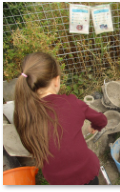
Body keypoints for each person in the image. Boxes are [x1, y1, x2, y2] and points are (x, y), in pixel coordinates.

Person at [13, 52, 108, 185]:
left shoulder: (24, 114)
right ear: (56, 81)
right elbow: (102, 120)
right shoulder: (72, 103)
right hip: (85, 173)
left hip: (56, 180)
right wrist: (94, 126)